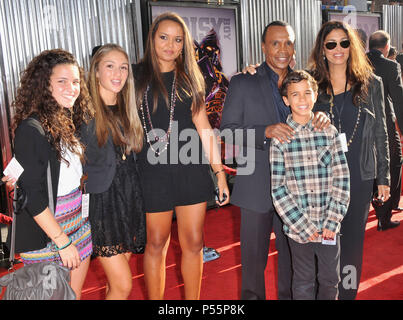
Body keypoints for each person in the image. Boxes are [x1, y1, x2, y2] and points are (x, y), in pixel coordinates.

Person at [221, 21, 329, 300]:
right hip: (256, 187)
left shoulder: (306, 81)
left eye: (288, 42)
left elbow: (317, 116)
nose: (282, 49)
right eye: (275, 43)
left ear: (294, 46)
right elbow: (227, 130)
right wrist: (265, 132)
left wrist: (321, 117)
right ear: (263, 46)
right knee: (254, 268)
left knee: (295, 267)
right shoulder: (243, 81)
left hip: (297, 192)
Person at [134, 12, 230, 300]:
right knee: (156, 243)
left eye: (177, 40)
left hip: (190, 170)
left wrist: (220, 174)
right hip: (151, 172)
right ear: (152, 38)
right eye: (164, 37)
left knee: (193, 242)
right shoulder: (134, 76)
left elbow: (205, 130)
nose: (170, 45)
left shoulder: (190, 78)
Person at [308, 20, 390, 300]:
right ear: (322, 49)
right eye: (331, 44)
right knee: (324, 242)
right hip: (322, 177)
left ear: (352, 45)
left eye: (344, 42)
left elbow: (382, 132)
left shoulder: (371, 84)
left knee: (353, 244)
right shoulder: (311, 85)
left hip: (359, 173)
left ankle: (347, 295)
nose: (338, 49)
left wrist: (384, 178)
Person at [6, 49, 94, 299]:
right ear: (44, 85)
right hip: (49, 234)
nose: (72, 88)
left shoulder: (66, 118)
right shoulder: (31, 128)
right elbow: (32, 195)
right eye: (62, 81)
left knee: (73, 296)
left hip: (78, 224)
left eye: (76, 81)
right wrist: (62, 241)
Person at [271, 70, 350, 300]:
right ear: (286, 100)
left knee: (330, 280)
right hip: (299, 231)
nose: (302, 99)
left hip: (328, 225)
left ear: (316, 95)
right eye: (295, 94)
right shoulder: (280, 140)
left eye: (307, 93)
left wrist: (333, 219)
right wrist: (303, 226)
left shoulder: (329, 132)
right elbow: (278, 189)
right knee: (303, 283)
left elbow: (342, 178)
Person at [80, 43, 146, 299]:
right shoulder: (82, 110)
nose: (118, 73)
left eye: (123, 68)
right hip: (103, 204)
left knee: (114, 283)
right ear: (96, 71)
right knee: (123, 285)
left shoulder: (128, 108)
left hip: (129, 199)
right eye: (110, 66)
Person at [367, 31, 403, 230]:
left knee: (366, 164)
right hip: (385, 124)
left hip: (360, 124)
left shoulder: (356, 63)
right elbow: (399, 101)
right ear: (387, 47)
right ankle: (384, 216)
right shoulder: (391, 66)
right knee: (392, 164)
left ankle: (368, 206)